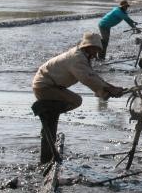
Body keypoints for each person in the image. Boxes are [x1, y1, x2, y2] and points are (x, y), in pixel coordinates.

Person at [31, 32, 124, 163]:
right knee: (75, 100)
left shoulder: (81, 56)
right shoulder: (77, 58)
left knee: (52, 119)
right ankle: (44, 111)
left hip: (51, 86)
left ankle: (47, 155)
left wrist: (109, 88)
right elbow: (87, 78)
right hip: (44, 87)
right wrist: (109, 89)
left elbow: (92, 75)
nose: (97, 52)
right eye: (96, 49)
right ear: (89, 46)